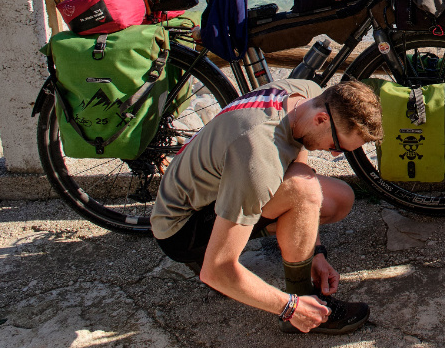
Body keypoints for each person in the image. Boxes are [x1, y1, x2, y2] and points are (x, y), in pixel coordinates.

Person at [151, 78, 383, 335]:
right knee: (302, 191)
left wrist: (315, 250)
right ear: (321, 119)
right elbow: (216, 270)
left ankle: (259, 235)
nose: (335, 154)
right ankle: (306, 308)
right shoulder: (258, 155)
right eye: (336, 146)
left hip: (209, 189)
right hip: (182, 229)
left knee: (339, 198)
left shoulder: (307, 96)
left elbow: (298, 163)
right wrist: (289, 306)